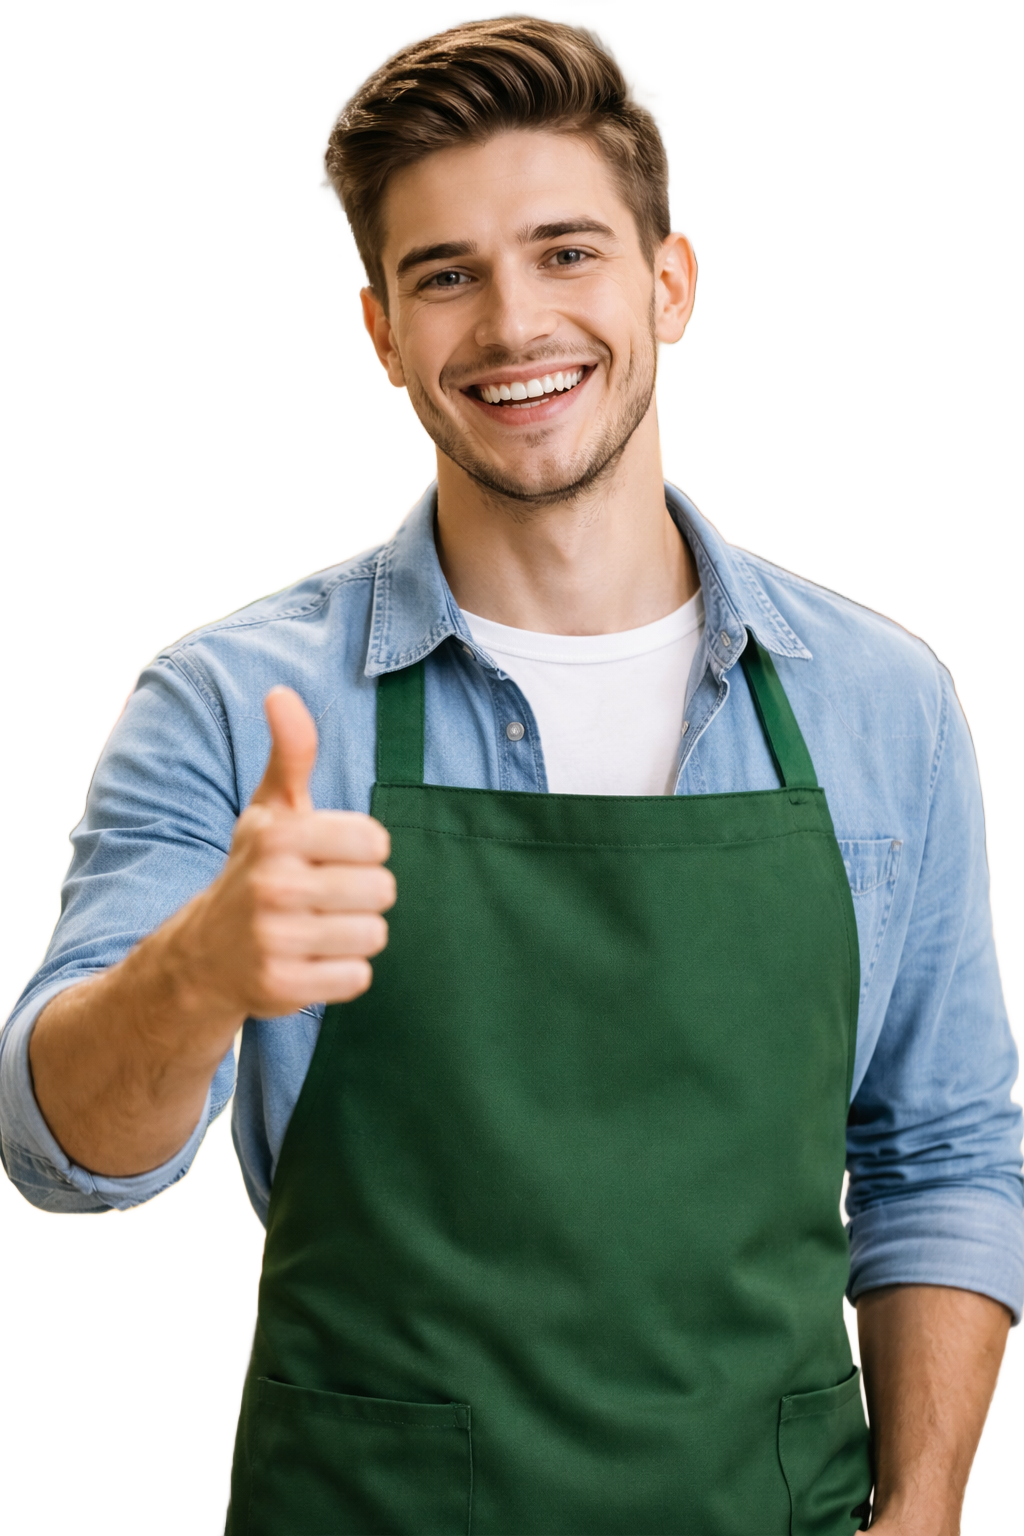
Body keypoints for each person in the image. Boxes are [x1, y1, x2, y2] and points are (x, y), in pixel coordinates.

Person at [1, 13, 1020, 1534]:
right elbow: (63, 1150)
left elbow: (940, 1150)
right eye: (445, 275)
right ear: (380, 335)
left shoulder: (880, 702)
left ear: (668, 284)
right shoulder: (233, 701)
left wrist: (925, 1509)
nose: (513, 324)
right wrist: (198, 974)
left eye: (565, 253)